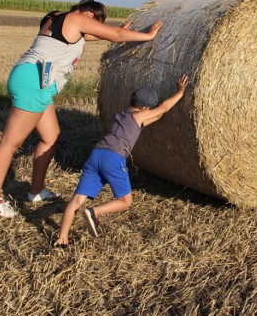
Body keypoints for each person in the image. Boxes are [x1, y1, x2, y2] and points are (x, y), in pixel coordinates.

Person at [0, 0, 163, 218]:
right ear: (89, 15)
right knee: (10, 143)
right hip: (35, 83)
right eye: (98, 21)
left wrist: (110, 31)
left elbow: (86, 35)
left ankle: (36, 191)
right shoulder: (78, 18)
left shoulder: (55, 16)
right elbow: (115, 35)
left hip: (32, 77)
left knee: (50, 136)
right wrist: (148, 36)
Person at [54, 74, 190, 247]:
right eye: (150, 109)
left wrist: (157, 115)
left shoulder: (123, 116)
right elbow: (162, 109)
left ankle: (62, 237)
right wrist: (180, 92)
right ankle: (95, 212)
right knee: (126, 201)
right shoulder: (139, 116)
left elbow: (156, 116)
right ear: (144, 108)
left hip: (96, 154)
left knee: (76, 200)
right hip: (113, 157)